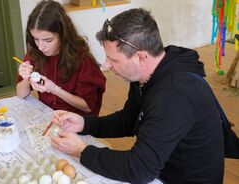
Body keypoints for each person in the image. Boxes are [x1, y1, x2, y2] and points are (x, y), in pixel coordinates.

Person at [48, 8, 225, 184]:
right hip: (160, 168)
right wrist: (85, 123)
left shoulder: (173, 95)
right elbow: (129, 120)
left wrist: (82, 151)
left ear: (140, 57)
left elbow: (139, 169)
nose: (106, 66)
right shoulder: (147, 74)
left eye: (114, 60)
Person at [16, 0, 106, 116]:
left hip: (75, 120)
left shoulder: (82, 59)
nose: (41, 47)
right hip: (48, 116)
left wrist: (54, 89)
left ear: (63, 35)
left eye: (48, 40)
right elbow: (20, 93)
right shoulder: (35, 53)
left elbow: (88, 107)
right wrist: (26, 78)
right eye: (36, 39)